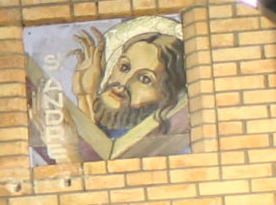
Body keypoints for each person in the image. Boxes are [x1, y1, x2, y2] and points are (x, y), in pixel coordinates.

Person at [50, 19, 189, 162]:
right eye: (124, 67)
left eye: (145, 79)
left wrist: (86, 96)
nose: (123, 83)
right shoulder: (110, 127)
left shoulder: (159, 145)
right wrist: (85, 94)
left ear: (167, 95)